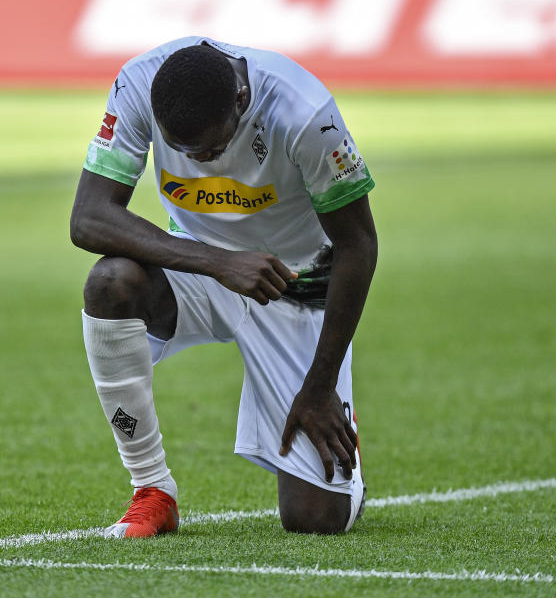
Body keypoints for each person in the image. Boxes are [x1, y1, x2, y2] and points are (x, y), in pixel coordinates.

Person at [70, 37, 377, 537]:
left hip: (294, 285)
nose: (203, 160)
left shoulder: (305, 113)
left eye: (213, 147)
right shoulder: (137, 84)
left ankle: (340, 421)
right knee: (110, 283)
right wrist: (220, 262)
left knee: (315, 520)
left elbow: (358, 245)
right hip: (202, 265)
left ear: (241, 100)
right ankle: (152, 489)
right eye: (185, 151)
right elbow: (88, 217)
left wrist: (319, 387)